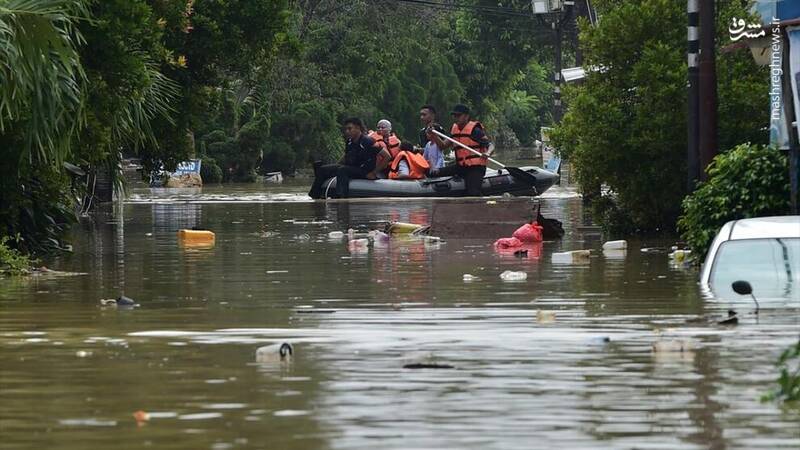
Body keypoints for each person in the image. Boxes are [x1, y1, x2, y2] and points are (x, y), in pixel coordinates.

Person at [308, 117, 390, 199]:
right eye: (346, 129)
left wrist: (373, 173)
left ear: (358, 128)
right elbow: (346, 156)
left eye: (350, 129)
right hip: (351, 168)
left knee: (343, 170)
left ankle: (341, 196)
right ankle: (314, 195)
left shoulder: (368, 141)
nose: (347, 131)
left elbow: (387, 156)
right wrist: (335, 166)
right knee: (323, 169)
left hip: (364, 171)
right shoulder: (349, 141)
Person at [429, 104, 492, 196]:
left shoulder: (475, 130)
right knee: (433, 173)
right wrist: (434, 135)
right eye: (454, 115)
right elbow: (442, 146)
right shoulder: (455, 130)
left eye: (458, 115)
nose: (456, 118)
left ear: (466, 116)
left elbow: (491, 145)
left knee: (473, 192)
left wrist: (488, 153)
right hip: (461, 166)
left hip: (475, 168)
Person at [418, 105, 445, 170]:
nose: (421, 117)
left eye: (424, 115)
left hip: (436, 163)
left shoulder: (438, 129)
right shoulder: (422, 131)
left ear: (432, 115)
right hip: (426, 163)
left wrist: (418, 150)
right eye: (421, 115)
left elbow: (440, 147)